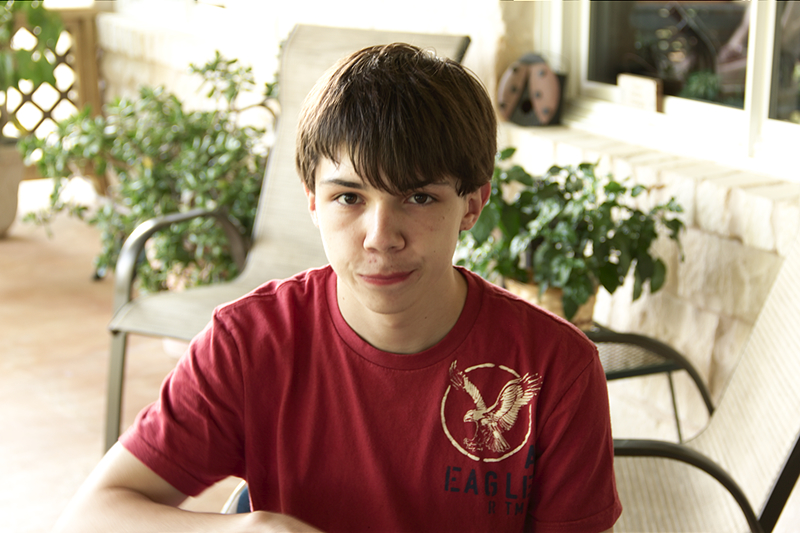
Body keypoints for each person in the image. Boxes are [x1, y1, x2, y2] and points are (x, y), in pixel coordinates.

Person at [53, 43, 622, 533]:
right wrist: (247, 528)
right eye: (349, 197)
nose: (381, 237)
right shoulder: (250, 344)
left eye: (418, 197)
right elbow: (94, 513)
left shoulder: (556, 368)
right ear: (311, 200)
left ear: (472, 204)